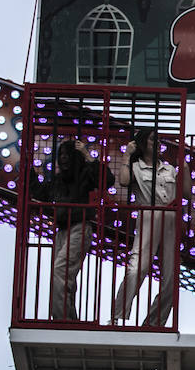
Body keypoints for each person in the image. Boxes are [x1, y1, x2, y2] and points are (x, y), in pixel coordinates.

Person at [112, 128, 180, 327]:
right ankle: (118, 316)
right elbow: (123, 181)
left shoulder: (169, 169)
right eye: (152, 139)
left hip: (171, 217)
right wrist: (126, 154)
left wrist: (183, 165)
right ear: (143, 143)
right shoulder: (135, 167)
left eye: (158, 140)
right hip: (149, 214)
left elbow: (184, 193)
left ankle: (154, 323)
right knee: (136, 268)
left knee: (171, 277)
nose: (156, 143)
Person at [27, 139, 101, 321]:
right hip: (62, 230)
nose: (64, 158)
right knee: (66, 276)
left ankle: (62, 320)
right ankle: (69, 318)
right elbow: (39, 192)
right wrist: (28, 168)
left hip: (79, 226)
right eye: (61, 155)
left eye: (67, 154)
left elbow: (104, 179)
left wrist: (85, 153)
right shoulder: (58, 181)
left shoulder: (83, 175)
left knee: (60, 271)